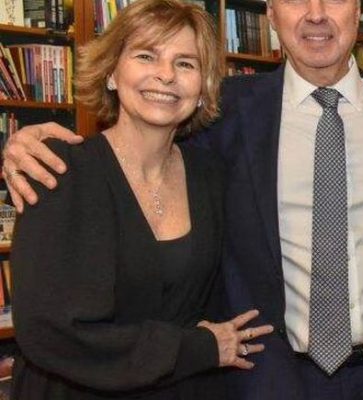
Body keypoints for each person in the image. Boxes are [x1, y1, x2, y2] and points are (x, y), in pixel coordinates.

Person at [2, 0, 363, 398]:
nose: (316, 13)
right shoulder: (227, 112)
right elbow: (135, 138)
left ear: (358, 11)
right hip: (267, 375)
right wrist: (24, 142)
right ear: (271, 15)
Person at [8, 0, 274, 399]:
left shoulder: (211, 175)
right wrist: (197, 348)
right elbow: (49, 332)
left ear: (202, 88)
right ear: (112, 72)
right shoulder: (57, 170)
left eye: (185, 63)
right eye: (146, 56)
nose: (166, 74)